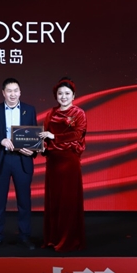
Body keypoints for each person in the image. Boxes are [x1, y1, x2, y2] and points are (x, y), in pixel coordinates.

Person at [0, 78, 38, 250]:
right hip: (2, 159)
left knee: (24, 201)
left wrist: (33, 151)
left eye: (16, 90)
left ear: (20, 92)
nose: (13, 94)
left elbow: (34, 136)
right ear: (3, 93)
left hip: (22, 161)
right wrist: (1, 140)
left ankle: (25, 236)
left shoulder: (29, 110)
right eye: (9, 91)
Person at [39, 77, 87, 252]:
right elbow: (44, 136)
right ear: (56, 95)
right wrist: (41, 147)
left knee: (69, 201)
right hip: (53, 161)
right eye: (60, 94)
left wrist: (55, 137)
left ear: (73, 95)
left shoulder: (79, 113)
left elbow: (78, 135)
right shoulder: (50, 113)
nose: (63, 97)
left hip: (69, 161)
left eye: (67, 93)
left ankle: (69, 240)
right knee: (54, 201)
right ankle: (53, 239)